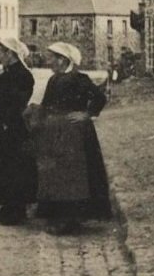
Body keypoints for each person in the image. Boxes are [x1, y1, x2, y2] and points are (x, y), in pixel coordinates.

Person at [25, 42, 112, 235]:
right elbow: (47, 104)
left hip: (74, 134)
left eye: (52, 59)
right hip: (55, 133)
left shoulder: (79, 79)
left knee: (73, 176)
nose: (49, 62)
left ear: (63, 60)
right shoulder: (54, 79)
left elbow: (99, 97)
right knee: (56, 175)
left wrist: (87, 114)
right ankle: (61, 217)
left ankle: (70, 220)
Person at [0, 37, 37, 225]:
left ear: (10, 54)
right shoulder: (6, 74)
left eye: (0, 52)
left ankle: (15, 209)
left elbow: (17, 104)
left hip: (10, 127)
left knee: (12, 166)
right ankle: (0, 204)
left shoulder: (23, 76)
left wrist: (5, 123)